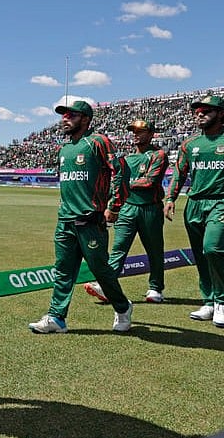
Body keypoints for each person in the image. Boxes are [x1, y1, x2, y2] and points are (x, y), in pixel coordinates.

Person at [28, 100, 132, 335]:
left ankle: (123, 308)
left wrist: (114, 206)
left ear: (85, 118)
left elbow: (121, 171)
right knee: (63, 269)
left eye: (71, 115)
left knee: (100, 269)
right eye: (63, 115)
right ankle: (56, 317)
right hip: (65, 220)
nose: (64, 119)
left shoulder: (97, 141)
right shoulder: (64, 149)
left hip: (89, 220)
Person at [164, 95, 224, 328]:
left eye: (206, 110)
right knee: (200, 255)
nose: (200, 114)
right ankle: (208, 301)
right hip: (194, 203)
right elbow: (179, 171)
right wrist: (171, 198)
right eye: (197, 111)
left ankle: (223, 302)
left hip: (223, 202)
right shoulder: (190, 143)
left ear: (221, 113)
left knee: (212, 248)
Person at [83, 118, 169, 304]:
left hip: (150, 208)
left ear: (151, 134)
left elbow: (149, 182)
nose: (136, 135)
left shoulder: (158, 155)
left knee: (154, 250)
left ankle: (155, 288)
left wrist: (123, 184)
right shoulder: (125, 159)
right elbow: (114, 184)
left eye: (141, 131)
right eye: (134, 132)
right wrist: (109, 203)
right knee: (118, 249)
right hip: (127, 208)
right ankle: (107, 287)